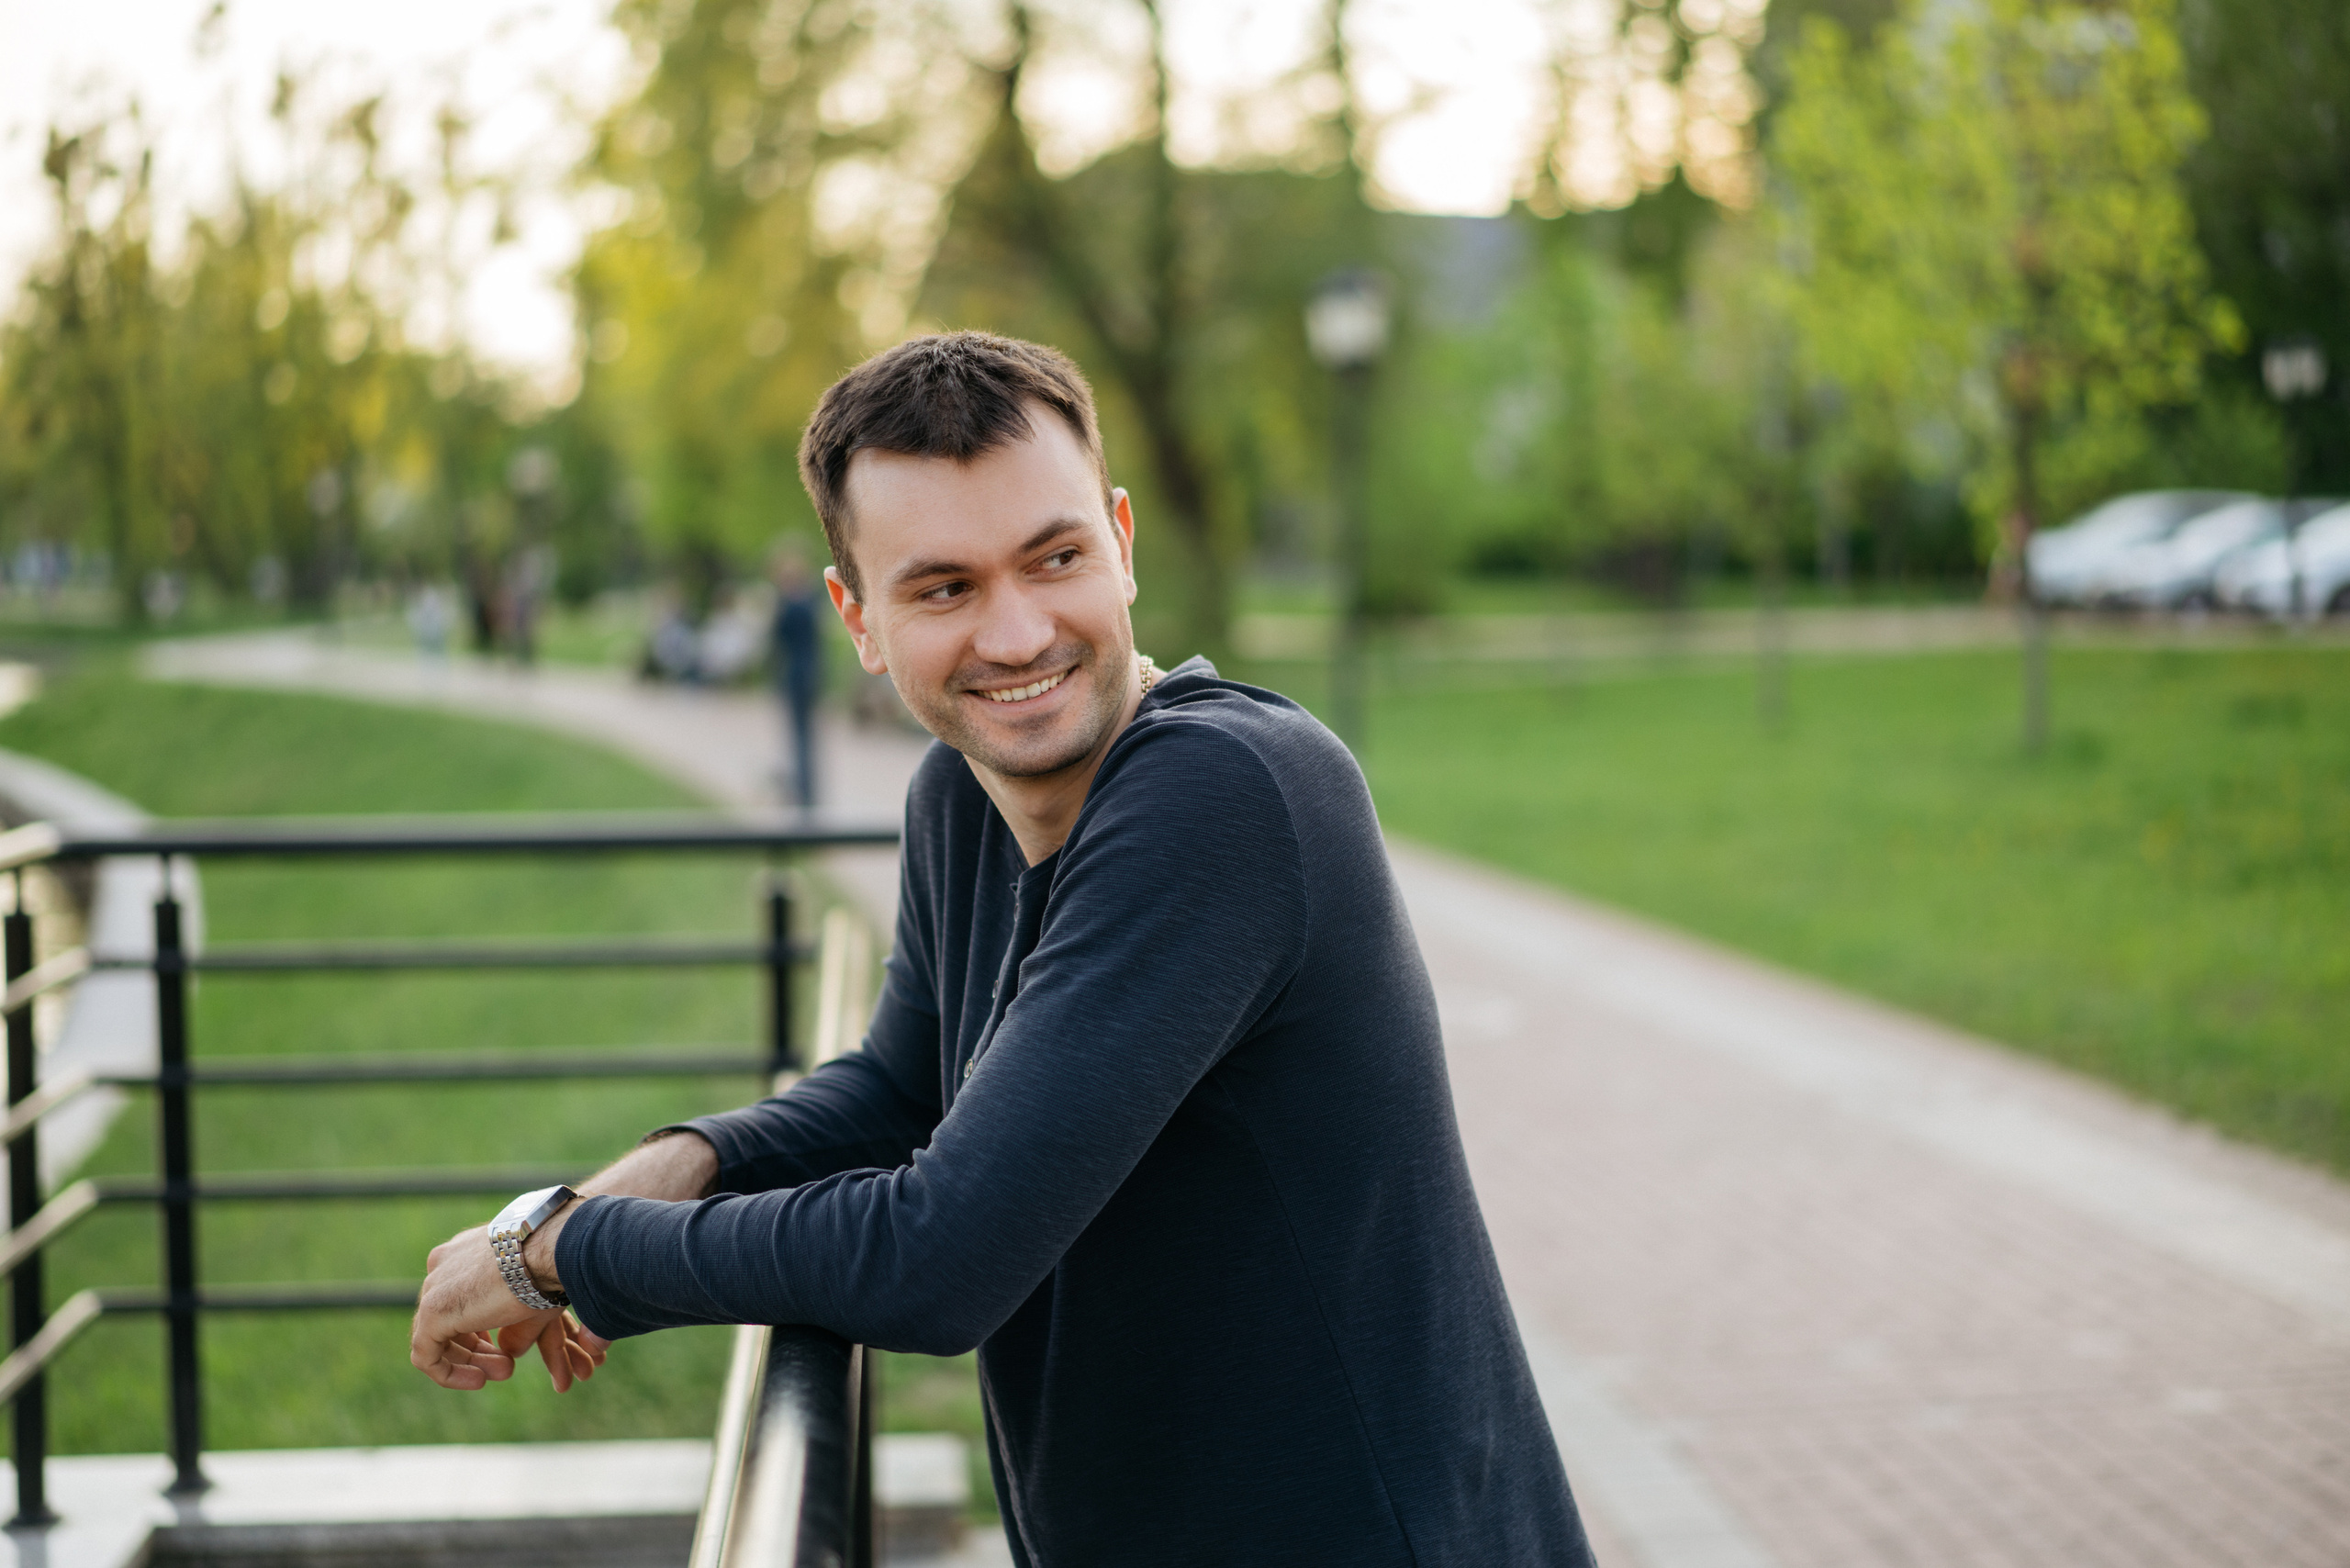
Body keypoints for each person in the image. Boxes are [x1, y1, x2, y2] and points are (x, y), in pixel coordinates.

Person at [408, 331, 1591, 1566]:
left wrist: (559, 1252)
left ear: (1123, 544)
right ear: (858, 619)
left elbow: (942, 1255)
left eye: (1056, 557)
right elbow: (901, 1089)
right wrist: (677, 1161)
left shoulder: (1225, 795)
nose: (1018, 634)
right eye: (945, 588)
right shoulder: (958, 799)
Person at [768, 542, 824, 806]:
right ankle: (807, 790)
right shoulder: (811, 602)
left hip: (795, 675)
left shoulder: (791, 606)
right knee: (806, 736)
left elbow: (776, 639)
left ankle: (803, 793)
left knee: (799, 736)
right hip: (810, 672)